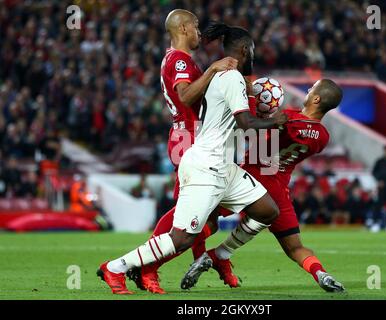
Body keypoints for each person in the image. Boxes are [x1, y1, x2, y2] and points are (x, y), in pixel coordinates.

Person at [97, 21, 288, 295]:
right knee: (183, 234)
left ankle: (216, 257)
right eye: (196, 27)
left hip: (219, 160)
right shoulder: (200, 67)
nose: (200, 31)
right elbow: (235, 118)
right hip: (200, 154)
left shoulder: (218, 74)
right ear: (246, 50)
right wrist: (274, 120)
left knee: (261, 211)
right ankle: (120, 267)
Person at [100, 9, 238, 294]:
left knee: (204, 217)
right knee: (187, 216)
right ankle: (143, 266)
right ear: (185, 28)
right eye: (197, 27)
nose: (200, 32)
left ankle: (185, 262)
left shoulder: (181, 59)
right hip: (189, 139)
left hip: (193, 138)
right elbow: (187, 95)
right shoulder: (178, 60)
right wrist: (213, 70)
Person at [181, 78, 345, 293]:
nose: (308, 88)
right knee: (295, 247)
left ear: (316, 98)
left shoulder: (287, 120)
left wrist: (255, 107)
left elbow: (253, 128)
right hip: (279, 190)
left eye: (312, 88)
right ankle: (321, 274)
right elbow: (301, 133)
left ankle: (166, 257)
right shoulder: (323, 137)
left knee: (205, 220)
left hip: (250, 179)